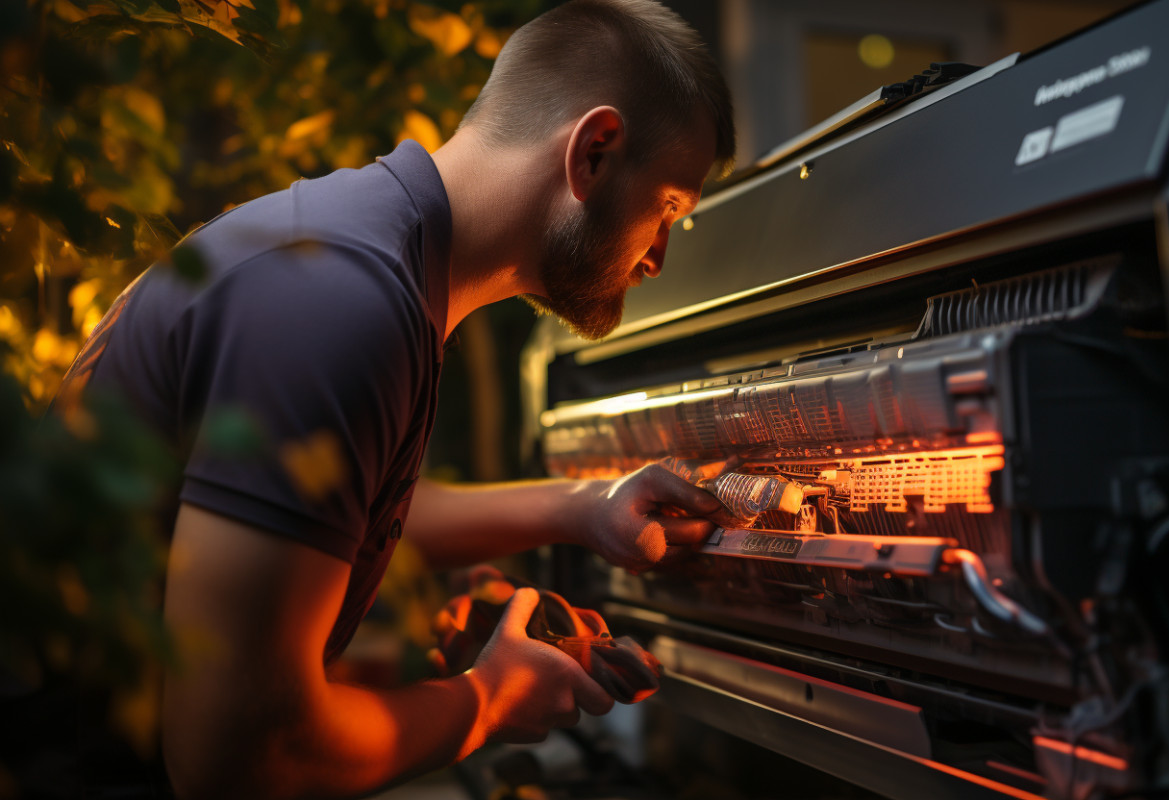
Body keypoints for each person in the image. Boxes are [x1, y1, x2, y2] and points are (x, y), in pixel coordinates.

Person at [49, 1, 737, 797]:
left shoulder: (365, 251)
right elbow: (239, 761)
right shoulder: (342, 302)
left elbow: (325, 509)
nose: (657, 258)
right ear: (595, 151)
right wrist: (488, 699)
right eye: (668, 209)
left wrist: (585, 508)